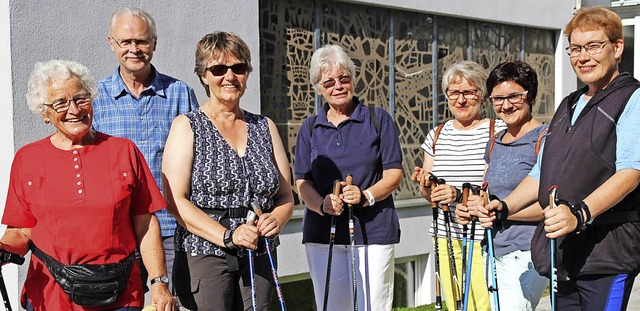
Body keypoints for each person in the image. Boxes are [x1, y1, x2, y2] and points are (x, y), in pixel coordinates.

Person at [476, 6, 640, 310]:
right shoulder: (569, 104)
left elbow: (631, 172)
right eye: (576, 48)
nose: (583, 56)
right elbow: (542, 171)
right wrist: (504, 206)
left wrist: (579, 214)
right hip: (563, 253)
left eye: (594, 46)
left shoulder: (632, 98)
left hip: (607, 253)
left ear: (617, 48)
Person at [0, 59, 174, 310]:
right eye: (60, 102)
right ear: (44, 112)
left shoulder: (123, 151)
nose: (74, 109)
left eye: (81, 98)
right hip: (50, 298)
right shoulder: (28, 159)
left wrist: (159, 283)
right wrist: (3, 248)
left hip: (120, 294)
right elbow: (22, 230)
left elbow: (145, 223)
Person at [162, 31, 294, 311]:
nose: (230, 76)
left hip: (258, 253)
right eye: (219, 69)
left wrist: (276, 221)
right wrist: (227, 235)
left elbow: (285, 196)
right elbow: (174, 200)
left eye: (239, 68)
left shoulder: (265, 127)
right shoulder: (187, 126)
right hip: (205, 254)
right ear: (203, 75)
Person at [92, 7, 199, 290]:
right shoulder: (96, 97)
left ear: (154, 43)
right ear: (112, 44)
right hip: (117, 232)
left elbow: (198, 158)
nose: (134, 49)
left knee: (171, 304)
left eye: (141, 41)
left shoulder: (180, 93)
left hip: (171, 228)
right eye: (125, 42)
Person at [294, 44, 403, 311]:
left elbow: (394, 173)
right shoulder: (309, 127)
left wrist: (366, 196)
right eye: (328, 81)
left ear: (353, 80)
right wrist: (321, 204)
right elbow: (302, 182)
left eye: (344, 78)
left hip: (373, 231)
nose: (338, 86)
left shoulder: (378, 119)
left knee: (373, 305)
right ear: (319, 87)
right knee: (331, 305)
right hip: (323, 232)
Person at [411, 61, 505, 311]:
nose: (461, 100)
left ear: (482, 96)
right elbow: (428, 192)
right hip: (445, 232)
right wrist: (427, 185)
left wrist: (456, 194)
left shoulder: (497, 131)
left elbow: (498, 185)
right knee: (452, 303)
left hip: (481, 234)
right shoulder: (437, 134)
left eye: (469, 92)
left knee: (482, 303)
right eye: (454, 93)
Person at [455, 61, 548, 310]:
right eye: (497, 99)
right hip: (492, 248)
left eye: (514, 96)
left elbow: (551, 206)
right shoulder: (495, 142)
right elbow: (487, 194)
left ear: (530, 95)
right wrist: (470, 207)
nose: (505, 105)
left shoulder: (544, 139)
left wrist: (501, 211)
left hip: (527, 252)